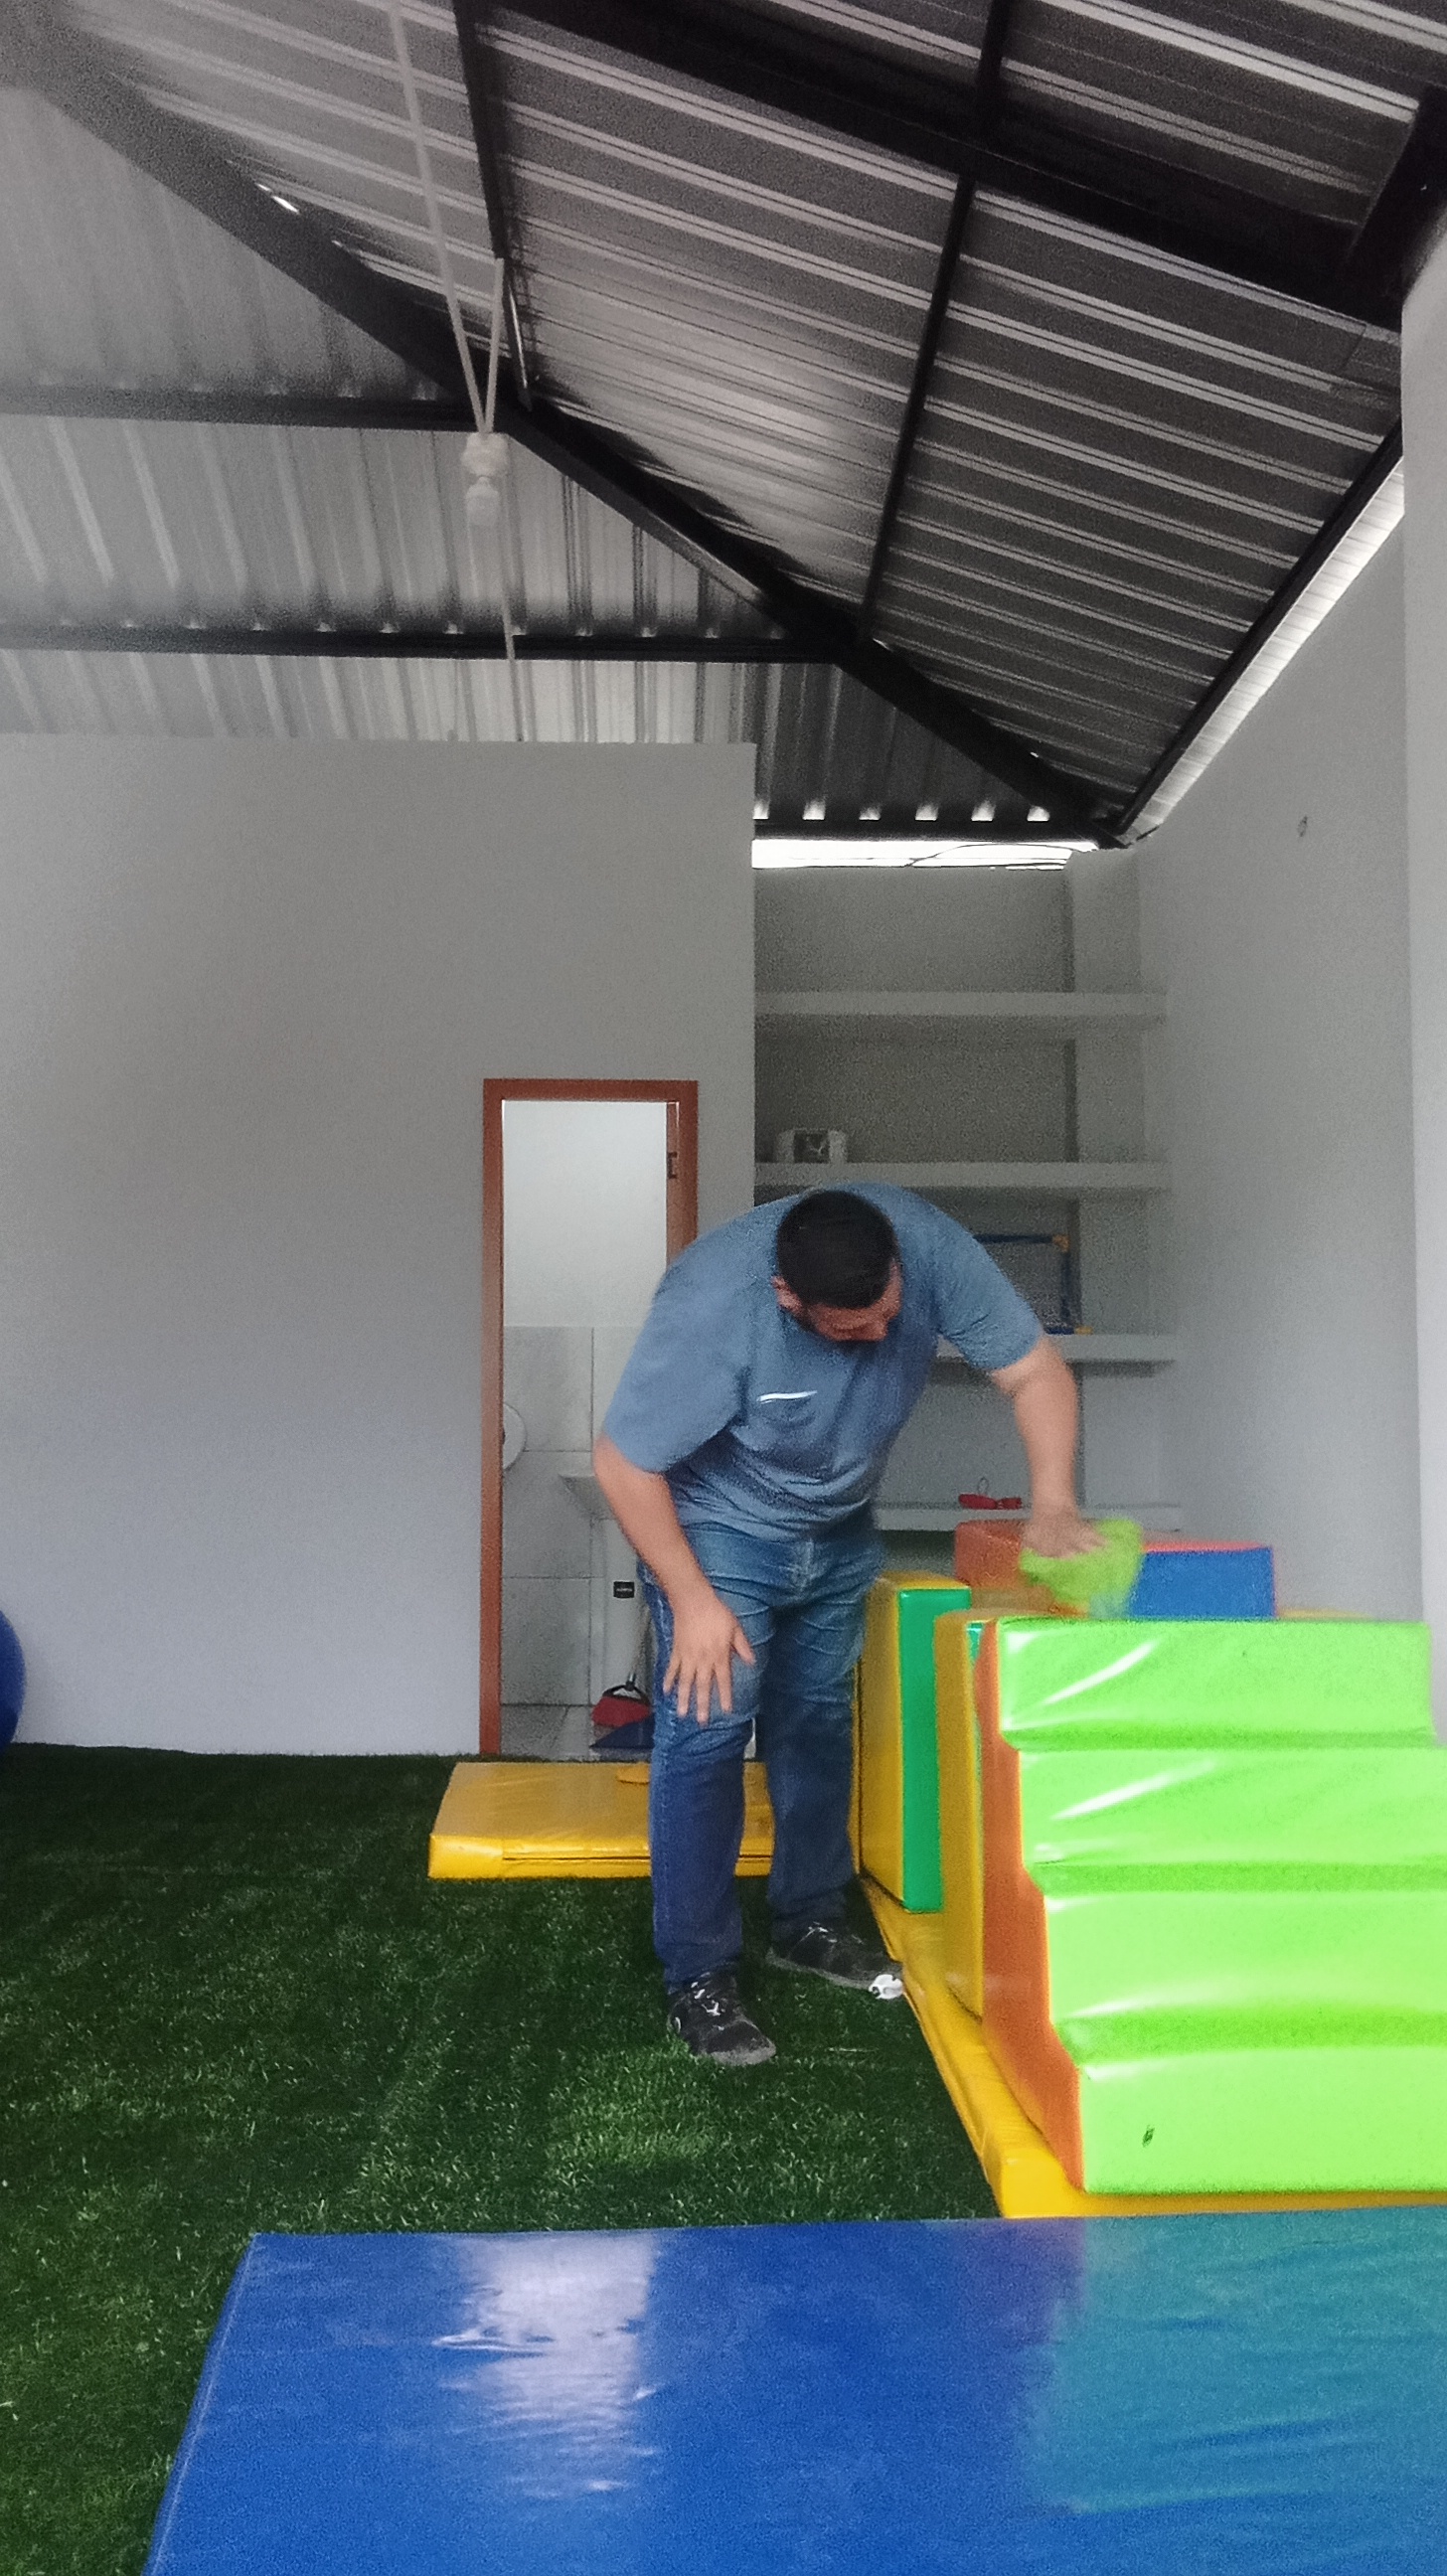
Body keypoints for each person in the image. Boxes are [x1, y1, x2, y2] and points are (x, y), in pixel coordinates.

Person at [592, 1184, 1095, 2068]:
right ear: (788, 1297)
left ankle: (809, 1922)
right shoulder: (714, 1300)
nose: (877, 1341)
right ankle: (699, 1974)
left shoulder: (929, 1247)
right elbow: (623, 1462)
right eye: (849, 1331)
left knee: (818, 1721)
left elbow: (1033, 1373)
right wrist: (694, 1598)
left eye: (889, 1319)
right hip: (720, 1529)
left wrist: (1053, 1502)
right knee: (708, 1729)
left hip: (839, 1525)